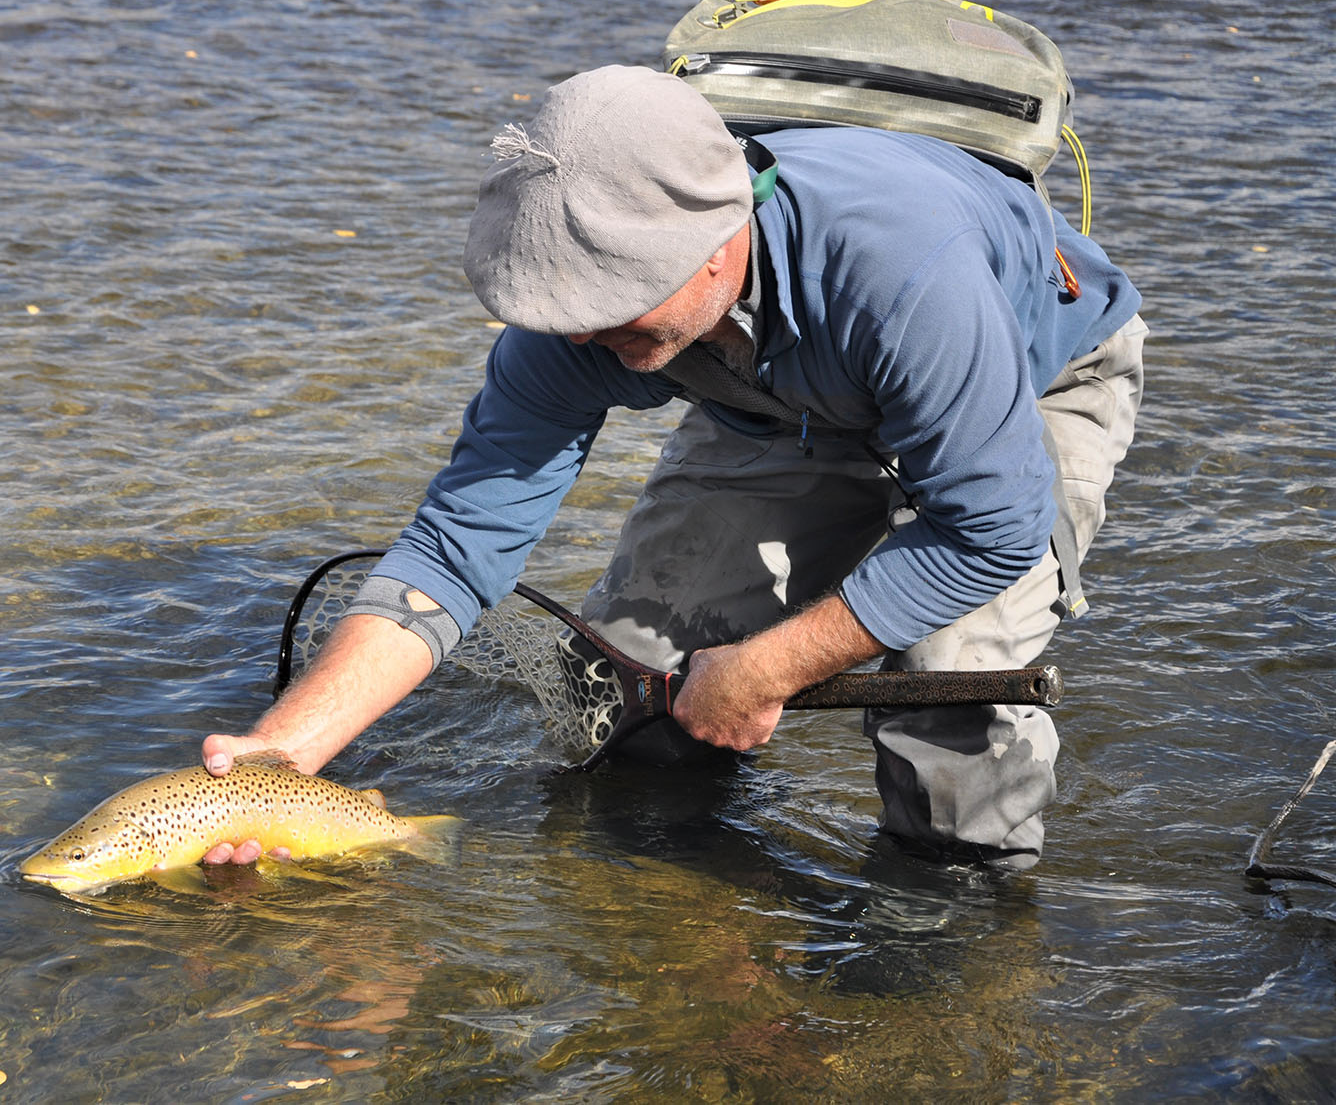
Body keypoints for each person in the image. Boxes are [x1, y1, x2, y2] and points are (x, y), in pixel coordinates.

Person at [201, 64, 1145, 870]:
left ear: (717, 239)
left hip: (1033, 376)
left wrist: (768, 666)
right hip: (775, 396)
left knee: (948, 683)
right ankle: (680, 912)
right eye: (563, 309)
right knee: (626, 687)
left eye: (608, 303)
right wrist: (280, 754)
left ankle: (959, 931)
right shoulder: (583, 326)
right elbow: (455, 546)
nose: (579, 333)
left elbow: (990, 528)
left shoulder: (905, 273)